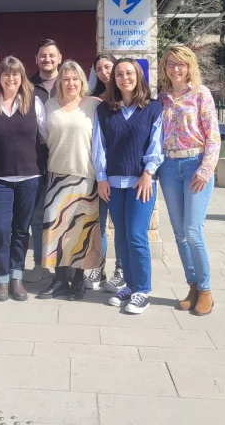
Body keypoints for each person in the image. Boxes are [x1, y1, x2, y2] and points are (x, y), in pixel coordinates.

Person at [92, 58, 163, 314]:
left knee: (136, 236)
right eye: (119, 74)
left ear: (138, 76)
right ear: (114, 80)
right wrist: (101, 177)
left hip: (141, 183)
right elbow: (99, 145)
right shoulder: (104, 110)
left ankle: (143, 289)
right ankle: (130, 286)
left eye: (129, 73)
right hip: (113, 183)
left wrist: (148, 173)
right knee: (121, 237)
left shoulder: (153, 108)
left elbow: (156, 144)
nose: (124, 78)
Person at [158, 46, 220, 316]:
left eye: (181, 64)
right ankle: (192, 286)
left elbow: (213, 137)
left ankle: (206, 291)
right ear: (165, 67)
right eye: (171, 64)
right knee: (180, 234)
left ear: (189, 66)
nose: (176, 68)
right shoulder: (161, 99)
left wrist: (205, 170)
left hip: (195, 165)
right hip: (169, 167)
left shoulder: (200, 94)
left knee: (193, 231)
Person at [0, 56, 45, 302]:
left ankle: (17, 277)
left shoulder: (34, 103)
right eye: (6, 74)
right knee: (0, 229)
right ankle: (1, 279)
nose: (11, 78)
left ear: (22, 77)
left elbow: (46, 136)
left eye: (15, 74)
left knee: (20, 229)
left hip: (29, 177)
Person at [36, 60, 101, 301]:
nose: (70, 83)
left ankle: (79, 281)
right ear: (60, 82)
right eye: (66, 79)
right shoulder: (49, 105)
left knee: (82, 231)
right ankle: (60, 280)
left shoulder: (94, 106)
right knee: (57, 230)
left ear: (82, 81)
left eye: (75, 79)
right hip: (56, 176)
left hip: (86, 176)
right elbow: (43, 136)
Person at [84, 53, 126, 293]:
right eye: (98, 68)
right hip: (98, 173)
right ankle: (98, 267)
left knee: (119, 225)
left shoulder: (129, 97)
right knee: (98, 223)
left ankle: (121, 269)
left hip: (123, 173)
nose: (104, 72)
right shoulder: (94, 101)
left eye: (107, 66)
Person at [25, 39, 62, 284]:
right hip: (35, 162)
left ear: (59, 57)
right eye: (42, 55)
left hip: (65, 161)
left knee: (64, 215)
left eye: (51, 55)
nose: (47, 59)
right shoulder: (26, 86)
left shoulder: (70, 83)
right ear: (37, 59)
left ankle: (65, 266)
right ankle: (40, 264)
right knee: (38, 217)